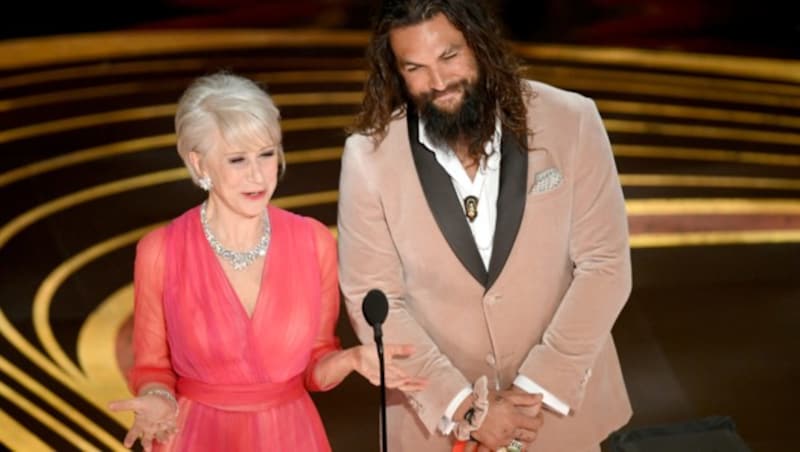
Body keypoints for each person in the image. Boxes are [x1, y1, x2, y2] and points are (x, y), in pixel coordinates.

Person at [337, 1, 633, 451]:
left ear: (479, 44)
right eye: (415, 68)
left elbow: (605, 265)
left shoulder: (570, 120)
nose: (437, 82)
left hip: (562, 418)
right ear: (395, 72)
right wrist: (464, 408)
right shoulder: (368, 157)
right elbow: (373, 299)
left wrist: (532, 392)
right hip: (435, 427)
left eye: (449, 56)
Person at [108, 72, 425, 452]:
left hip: (291, 436)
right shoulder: (160, 250)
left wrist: (352, 360)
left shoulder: (313, 242)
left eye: (267, 154)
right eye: (238, 159)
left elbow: (315, 366)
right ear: (199, 163)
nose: (257, 175)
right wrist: (159, 397)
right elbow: (151, 367)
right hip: (197, 437)